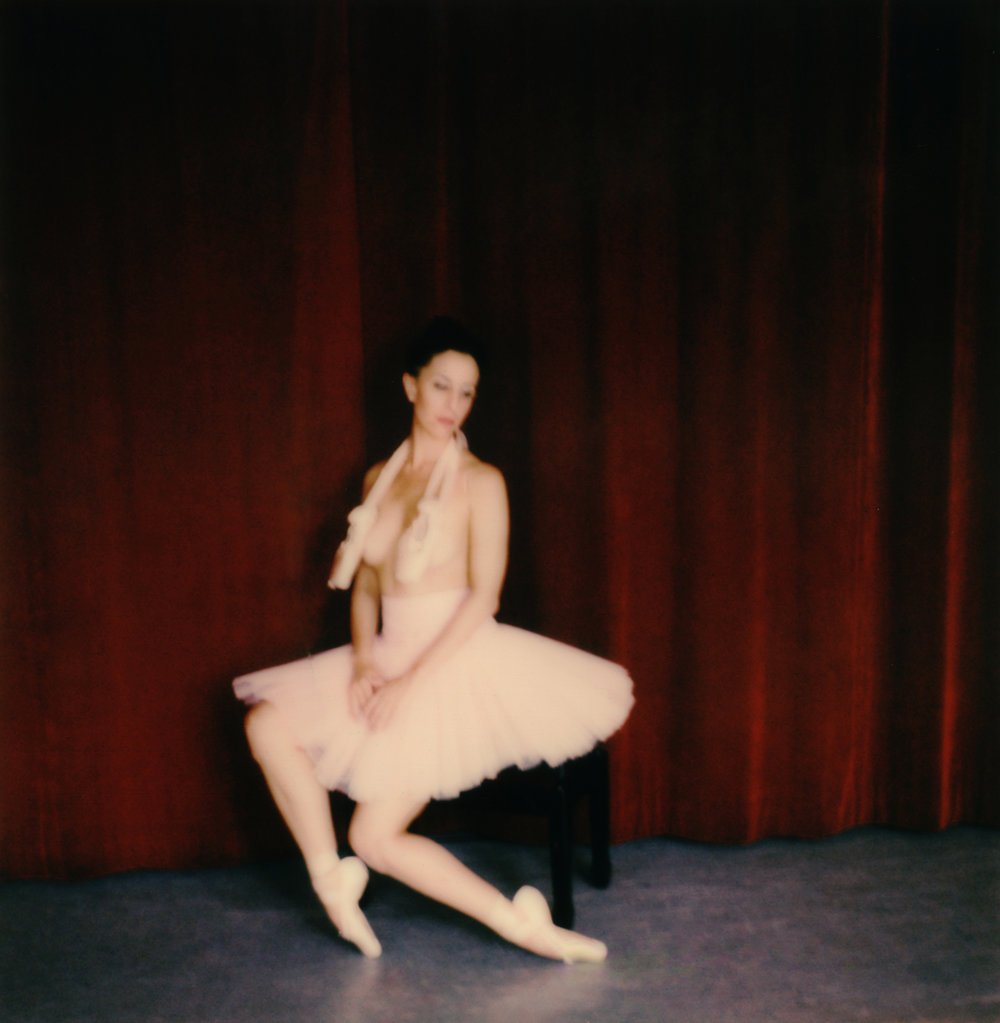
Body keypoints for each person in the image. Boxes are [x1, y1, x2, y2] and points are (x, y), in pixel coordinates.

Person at [234, 317, 634, 962]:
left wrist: (408, 684)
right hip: (388, 650)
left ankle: (519, 925)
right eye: (442, 387)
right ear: (410, 387)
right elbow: (366, 586)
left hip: (456, 659)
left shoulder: (482, 481)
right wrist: (365, 661)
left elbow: (484, 598)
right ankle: (329, 880)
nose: (454, 404)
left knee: (374, 836)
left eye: (467, 393)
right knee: (266, 727)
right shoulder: (379, 480)